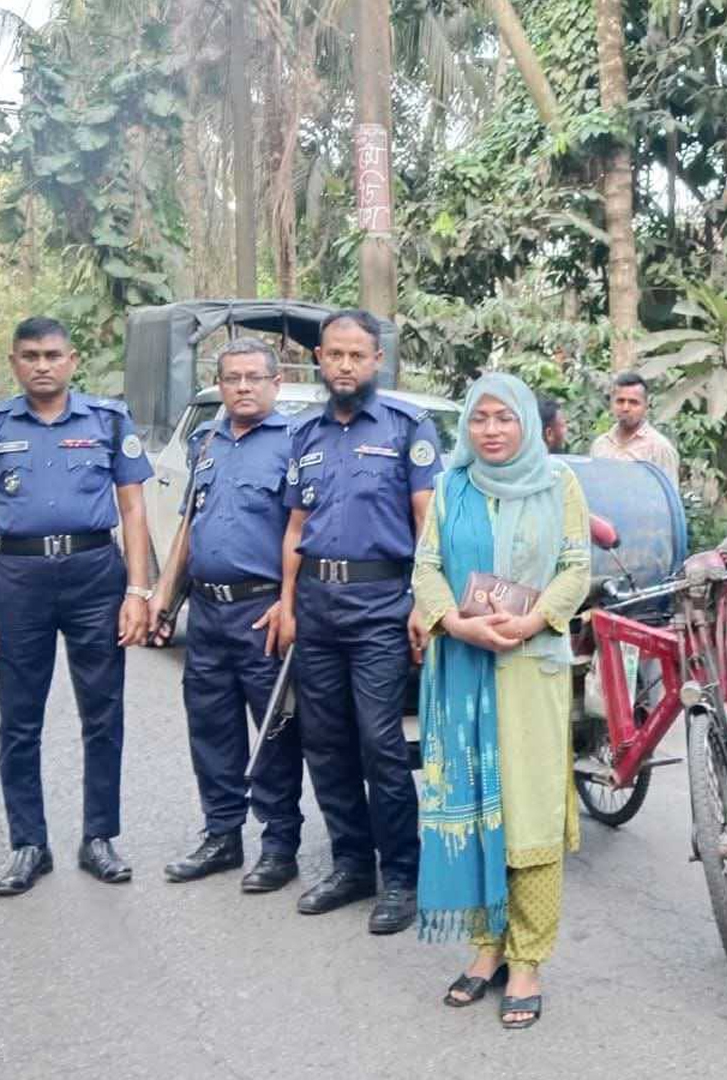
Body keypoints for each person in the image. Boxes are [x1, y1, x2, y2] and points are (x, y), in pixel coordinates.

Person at [409, 373, 590, 1031]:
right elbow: (425, 567)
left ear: (526, 425)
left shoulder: (558, 484)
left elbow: (576, 567)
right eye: (479, 418)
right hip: (460, 667)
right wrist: (453, 624)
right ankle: (485, 951)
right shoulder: (453, 487)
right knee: (476, 802)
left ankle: (529, 959)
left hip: (527, 668)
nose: (490, 429)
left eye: (503, 417)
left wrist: (533, 620)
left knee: (529, 810)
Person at [0, 316, 155, 896]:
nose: (41, 365)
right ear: (15, 363)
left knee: (103, 713)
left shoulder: (107, 421)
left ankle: (99, 838)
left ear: (73, 360)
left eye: (52, 354)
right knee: (20, 720)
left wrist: (138, 592)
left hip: (96, 574)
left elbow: (134, 510)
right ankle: (28, 844)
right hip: (18, 578)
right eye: (29, 355)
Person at [274, 309, 444, 934]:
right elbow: (294, 528)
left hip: (380, 607)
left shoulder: (407, 428)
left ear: (376, 361)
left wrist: (426, 603)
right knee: (324, 740)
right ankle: (350, 864)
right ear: (320, 359)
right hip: (317, 606)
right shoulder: (303, 435)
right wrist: (288, 603)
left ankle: (401, 873)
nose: (345, 366)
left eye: (357, 356)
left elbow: (428, 523)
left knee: (379, 741)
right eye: (335, 355)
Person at [149, 338, 305, 892]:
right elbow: (190, 525)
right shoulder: (206, 440)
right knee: (210, 728)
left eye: (252, 377)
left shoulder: (295, 443)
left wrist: (289, 604)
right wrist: (164, 600)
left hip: (262, 611)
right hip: (208, 614)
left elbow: (301, 531)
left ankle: (280, 843)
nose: (242, 387)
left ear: (275, 382)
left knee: (272, 732)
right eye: (232, 378)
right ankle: (221, 834)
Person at [586, 372, 679, 482]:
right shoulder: (600, 445)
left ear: (646, 406)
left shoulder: (659, 448)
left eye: (633, 402)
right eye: (620, 401)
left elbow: (668, 494)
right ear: (611, 403)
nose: (625, 408)